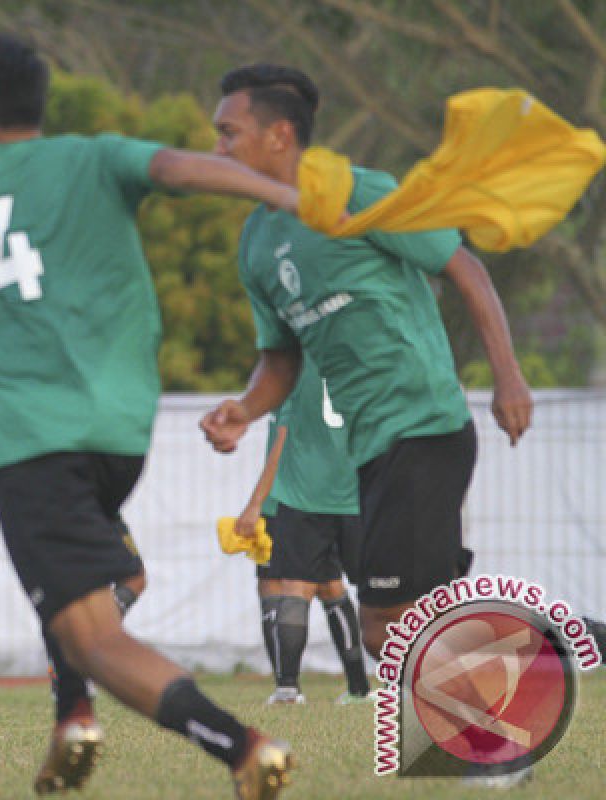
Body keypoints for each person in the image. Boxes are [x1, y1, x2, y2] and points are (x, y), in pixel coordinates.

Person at [0, 34, 299, 799]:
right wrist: (292, 196)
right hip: (121, 432)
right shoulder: (99, 156)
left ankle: (245, 750)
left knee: (90, 635)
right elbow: (183, 169)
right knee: (84, 585)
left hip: (34, 439)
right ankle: (73, 722)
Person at [199, 64, 533, 662]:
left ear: (279, 135)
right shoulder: (255, 242)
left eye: (229, 132)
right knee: (426, 621)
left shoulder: (363, 191)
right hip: (369, 449)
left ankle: (541, 673)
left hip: (423, 428)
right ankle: (495, 737)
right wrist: (244, 410)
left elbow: (465, 267)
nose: (218, 147)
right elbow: (281, 357)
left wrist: (508, 377)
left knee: (388, 628)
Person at [233, 355, 368, 705]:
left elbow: (281, 440)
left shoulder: (289, 371)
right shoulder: (352, 361)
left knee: (286, 586)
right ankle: (358, 689)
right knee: (331, 585)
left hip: (292, 497)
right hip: (348, 494)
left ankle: (287, 687)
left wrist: (254, 503)